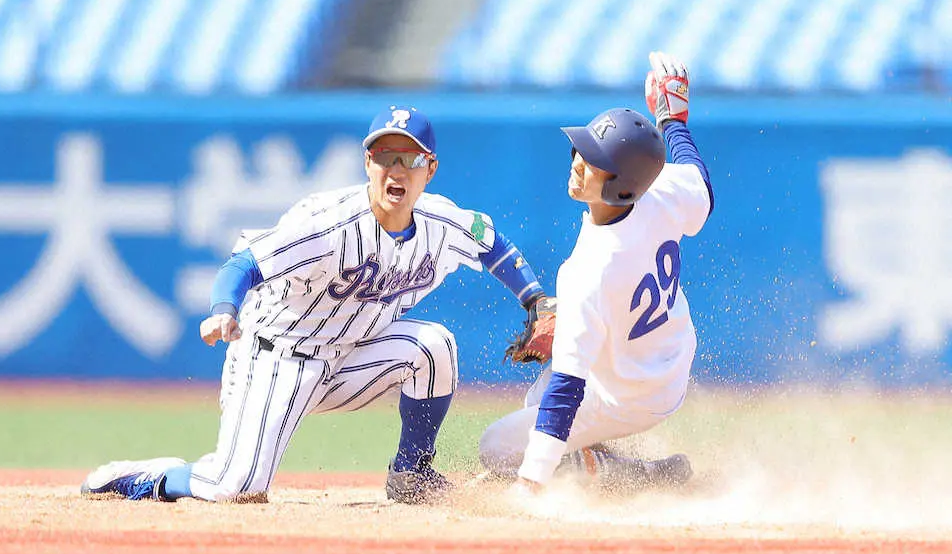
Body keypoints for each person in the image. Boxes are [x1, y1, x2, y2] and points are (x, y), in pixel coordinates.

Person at [82, 105, 553, 505]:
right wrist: (224, 307)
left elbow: (493, 244)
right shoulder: (328, 226)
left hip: (350, 357)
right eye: (383, 156)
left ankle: (411, 475)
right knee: (238, 486)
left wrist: (533, 299)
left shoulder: (439, 221)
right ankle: (144, 476)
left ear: (429, 169)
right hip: (277, 356)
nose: (396, 169)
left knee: (434, 347)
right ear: (367, 163)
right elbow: (245, 262)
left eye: (408, 157)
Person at [478, 52, 714, 493]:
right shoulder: (660, 189)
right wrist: (673, 120)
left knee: (496, 447)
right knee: (535, 398)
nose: (577, 161)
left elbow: (568, 389)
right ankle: (605, 462)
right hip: (670, 361)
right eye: (581, 149)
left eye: (593, 158)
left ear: (621, 184)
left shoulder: (589, 269)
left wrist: (530, 481)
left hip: (628, 396)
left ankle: (629, 476)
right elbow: (699, 182)